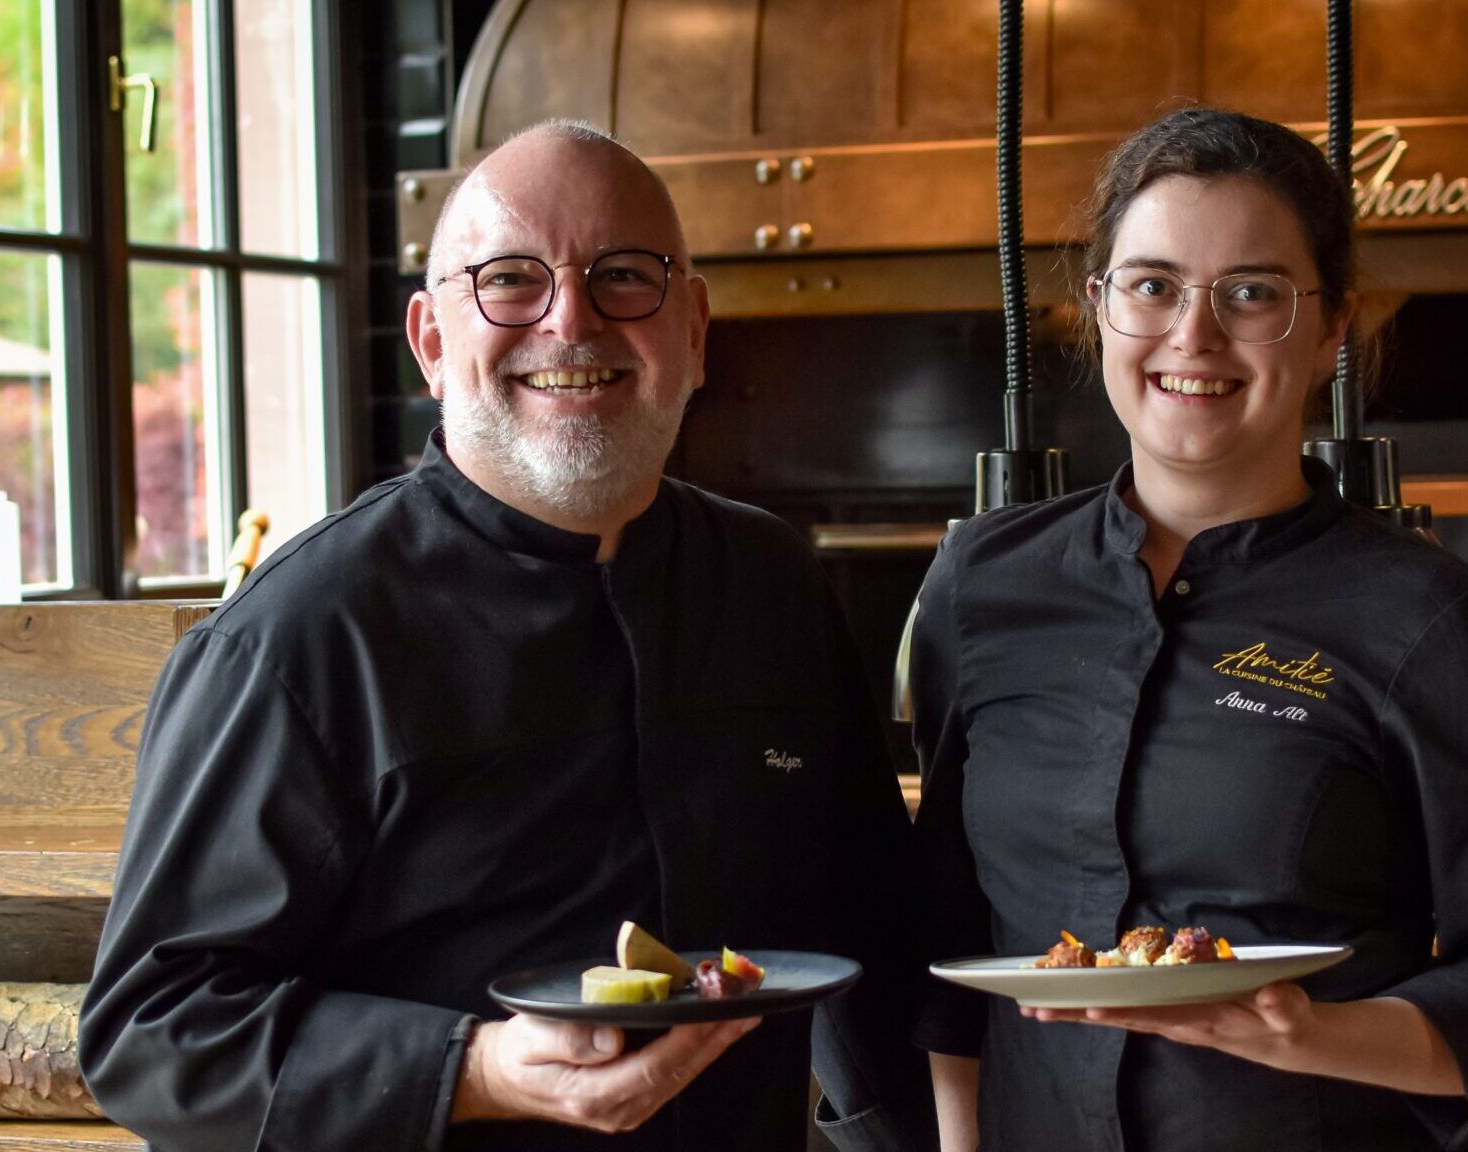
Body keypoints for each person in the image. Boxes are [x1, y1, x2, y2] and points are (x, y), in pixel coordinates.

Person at [81, 120, 932, 1152]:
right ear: (432, 342)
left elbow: (867, 937)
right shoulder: (299, 637)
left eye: (625, 276)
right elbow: (152, 1032)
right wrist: (472, 1070)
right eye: (510, 281)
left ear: (696, 330)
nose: (571, 320)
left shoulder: (773, 584)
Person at [908, 106, 1468, 1151]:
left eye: (1250, 293)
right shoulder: (982, 584)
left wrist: (1311, 1035)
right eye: (1151, 285)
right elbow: (949, 943)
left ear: (1334, 325)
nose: (1191, 337)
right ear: (1098, 306)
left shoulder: (1433, 619)